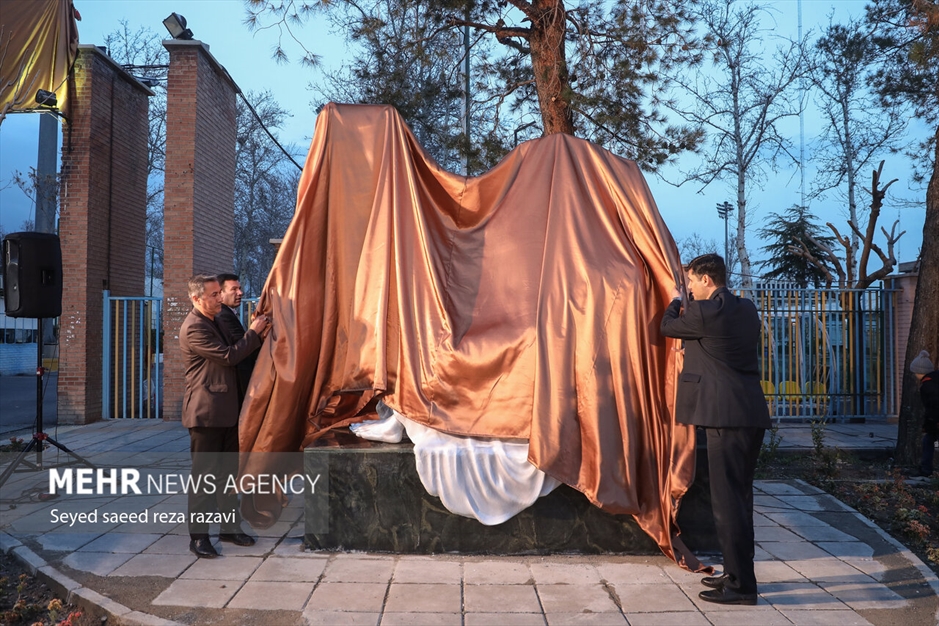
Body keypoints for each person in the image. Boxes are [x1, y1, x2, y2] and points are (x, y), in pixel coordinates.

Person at [659, 253, 771, 605]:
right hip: (750, 414)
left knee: (728, 506)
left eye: (692, 282)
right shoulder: (746, 309)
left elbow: (666, 326)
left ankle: (742, 589)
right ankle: (737, 576)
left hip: (726, 418)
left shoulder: (704, 313)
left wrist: (676, 300)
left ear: (707, 280)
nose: (690, 289)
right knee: (740, 500)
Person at [180, 274, 270, 558]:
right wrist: (254, 333)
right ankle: (198, 537)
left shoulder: (215, 319)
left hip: (228, 412)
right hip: (206, 415)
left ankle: (229, 528)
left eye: (220, 293)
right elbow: (230, 356)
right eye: (214, 295)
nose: (220, 298)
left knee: (228, 476)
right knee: (204, 479)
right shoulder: (194, 327)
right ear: (196, 299)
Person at [215, 272, 258, 406]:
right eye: (234, 289)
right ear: (220, 293)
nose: (240, 293)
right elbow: (243, 348)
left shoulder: (228, 313)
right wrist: (256, 331)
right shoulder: (223, 315)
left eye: (239, 288)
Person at [910, 350, 938, 477]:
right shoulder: (935, 380)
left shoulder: (928, 386)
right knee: (928, 440)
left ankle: (926, 469)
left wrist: (930, 424)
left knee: (928, 441)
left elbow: (933, 406)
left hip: (936, 421)